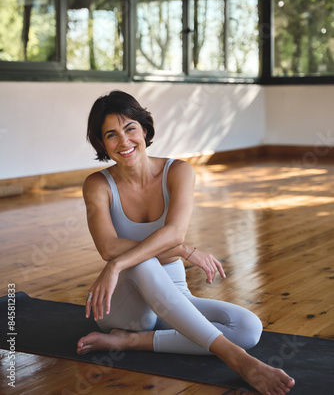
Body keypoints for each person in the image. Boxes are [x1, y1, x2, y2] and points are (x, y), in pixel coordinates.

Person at [77, 90, 295, 395]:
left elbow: (175, 232)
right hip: (125, 310)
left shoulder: (178, 171)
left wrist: (126, 258)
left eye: (130, 129)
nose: (124, 142)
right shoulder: (98, 185)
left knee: (248, 327)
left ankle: (129, 342)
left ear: (144, 129)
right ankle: (239, 361)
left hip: (172, 293)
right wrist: (177, 252)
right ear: (102, 144)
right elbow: (108, 248)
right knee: (143, 262)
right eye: (111, 135)